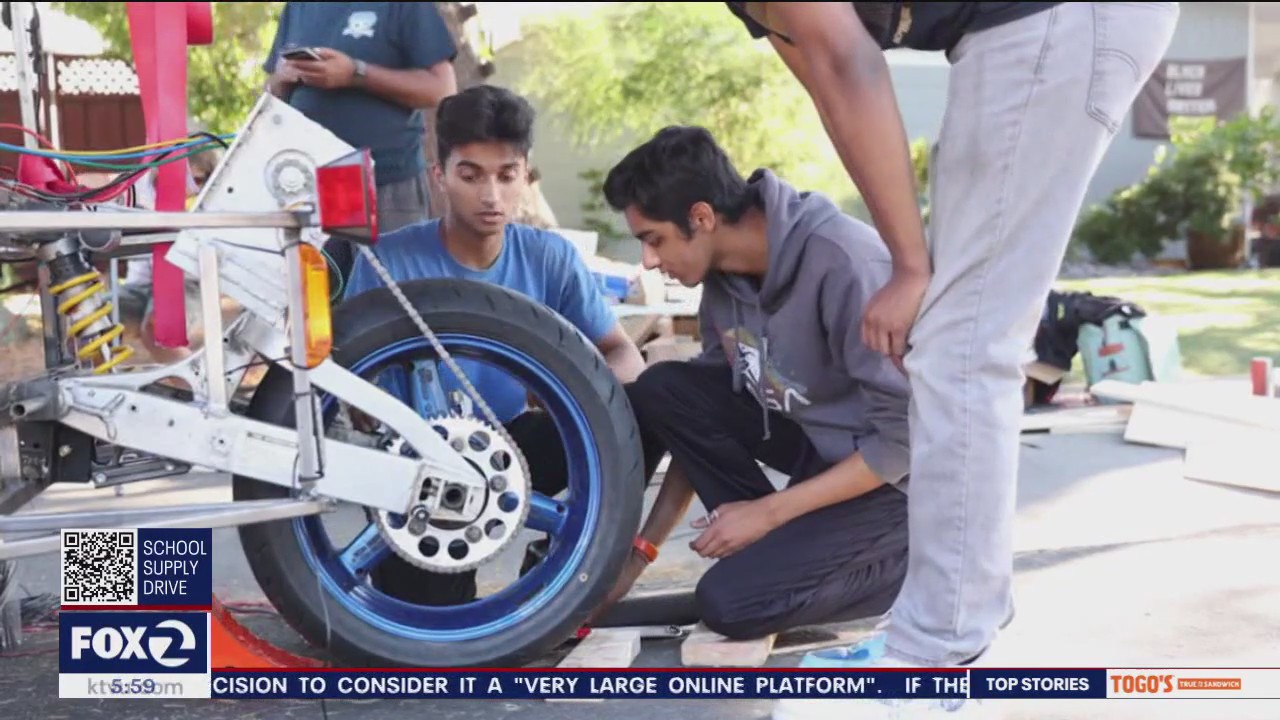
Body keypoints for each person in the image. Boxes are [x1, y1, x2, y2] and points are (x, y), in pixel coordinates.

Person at [719, 2, 1180, 717]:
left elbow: (848, 62)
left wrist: (909, 268)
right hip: (1022, 29)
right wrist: (908, 261)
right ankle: (949, 631)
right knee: (959, 340)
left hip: (1050, 19)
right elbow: (827, 77)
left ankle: (935, 657)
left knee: (962, 349)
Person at [590, 124, 913, 642]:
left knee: (731, 605)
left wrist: (766, 513)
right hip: (819, 453)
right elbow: (696, 421)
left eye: (654, 239)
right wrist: (639, 556)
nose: (648, 260)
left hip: (900, 488)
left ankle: (898, 570)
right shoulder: (724, 278)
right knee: (662, 387)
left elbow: (903, 444)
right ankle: (788, 555)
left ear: (701, 217)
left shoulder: (846, 262)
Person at [341, 84, 648, 605]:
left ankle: (565, 557)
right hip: (423, 468)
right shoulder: (385, 262)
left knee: (651, 402)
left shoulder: (551, 257)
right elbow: (342, 375)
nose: (491, 196)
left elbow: (623, 355)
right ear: (439, 178)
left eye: (507, 176)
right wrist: (363, 402)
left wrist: (567, 395)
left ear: (526, 175)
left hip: (517, 446)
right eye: (471, 175)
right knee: (433, 631)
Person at [263, 2, 459, 281]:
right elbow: (268, 99)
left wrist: (356, 73)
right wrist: (281, 79)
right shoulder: (298, 7)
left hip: (385, 184)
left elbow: (441, 89)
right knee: (320, 308)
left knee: (394, 303)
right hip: (310, 188)